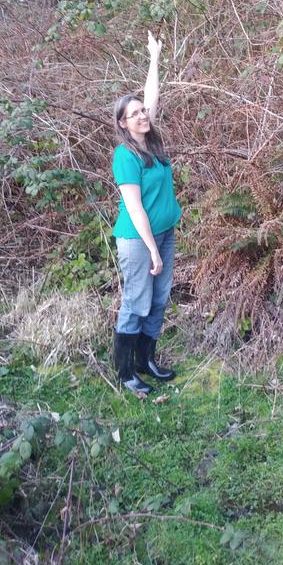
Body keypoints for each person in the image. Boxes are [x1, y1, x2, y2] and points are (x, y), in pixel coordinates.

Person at [111, 30, 181, 395]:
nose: (142, 114)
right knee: (137, 300)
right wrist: (152, 249)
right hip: (139, 240)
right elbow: (134, 208)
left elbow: (152, 95)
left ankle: (145, 360)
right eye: (134, 113)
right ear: (123, 123)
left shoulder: (150, 140)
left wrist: (154, 57)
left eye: (142, 111)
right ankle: (125, 372)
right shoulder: (126, 156)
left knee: (158, 298)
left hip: (165, 232)